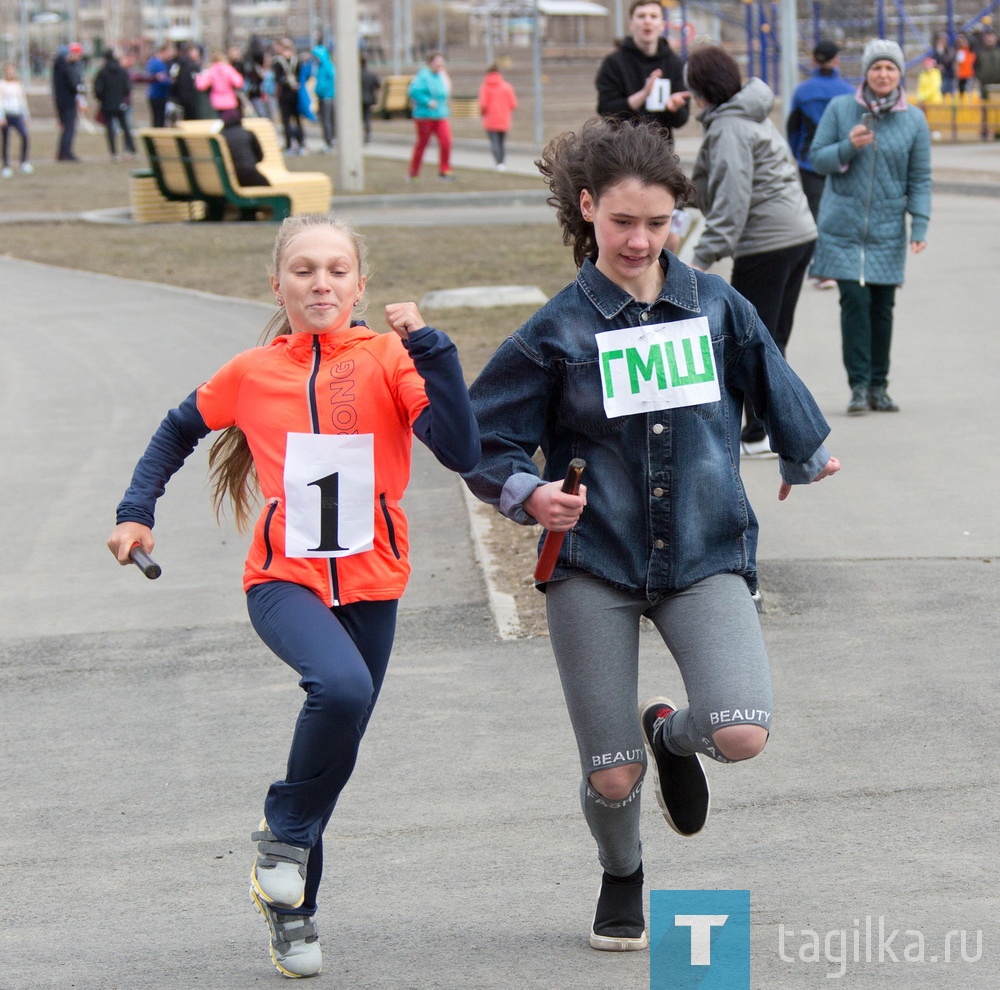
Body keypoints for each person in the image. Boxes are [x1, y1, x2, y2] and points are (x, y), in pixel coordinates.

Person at [461, 115, 839, 954]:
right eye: (623, 221)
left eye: (658, 222)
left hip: (703, 552)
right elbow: (481, 438)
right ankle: (623, 872)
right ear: (589, 208)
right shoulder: (556, 330)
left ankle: (670, 733)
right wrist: (528, 494)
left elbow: (769, 374)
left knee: (740, 729)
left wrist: (804, 449)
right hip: (595, 559)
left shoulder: (715, 305)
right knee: (610, 772)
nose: (640, 239)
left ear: (679, 218)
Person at [106, 214, 480, 980]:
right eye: (304, 270)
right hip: (283, 581)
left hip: (375, 583)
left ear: (360, 285)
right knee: (338, 688)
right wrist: (135, 511)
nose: (321, 283)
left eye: (337, 270)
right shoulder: (251, 371)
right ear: (277, 285)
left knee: (336, 745)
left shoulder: (388, 359)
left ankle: (291, 910)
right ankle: (281, 837)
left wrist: (433, 350)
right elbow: (176, 430)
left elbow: (461, 449)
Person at [685, 44, 817, 458]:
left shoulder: (729, 128)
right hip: (796, 234)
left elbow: (731, 204)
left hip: (767, 242)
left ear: (701, 89)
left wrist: (699, 259)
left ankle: (761, 434)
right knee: (772, 338)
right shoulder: (750, 115)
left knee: (747, 342)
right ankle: (774, 430)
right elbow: (722, 186)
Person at [809, 38, 931, 415]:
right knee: (854, 302)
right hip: (843, 227)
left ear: (899, 74)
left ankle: (880, 386)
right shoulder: (841, 108)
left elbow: (921, 177)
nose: (883, 74)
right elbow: (817, 159)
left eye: (890, 68)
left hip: (887, 228)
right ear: (865, 72)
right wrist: (847, 147)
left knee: (882, 306)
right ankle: (859, 386)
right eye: (876, 68)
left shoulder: (913, 119)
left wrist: (920, 225)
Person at [595, 0, 691, 140]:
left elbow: (681, 121)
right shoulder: (613, 63)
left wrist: (674, 109)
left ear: (662, 25)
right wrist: (643, 94)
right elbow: (606, 112)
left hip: (660, 152)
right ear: (631, 25)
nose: (647, 21)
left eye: (653, 16)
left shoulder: (675, 64)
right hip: (621, 150)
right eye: (641, 16)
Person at [786, 40, 854, 222]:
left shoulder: (802, 92)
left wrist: (796, 154)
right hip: (840, 161)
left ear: (813, 61)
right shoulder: (849, 92)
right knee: (840, 215)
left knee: (815, 213)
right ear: (836, 60)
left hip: (809, 162)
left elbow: (793, 128)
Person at [407, 53, 453, 181]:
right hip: (424, 116)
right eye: (437, 62)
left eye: (441, 63)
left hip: (440, 115)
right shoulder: (423, 76)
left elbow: (445, 92)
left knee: (446, 142)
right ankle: (414, 172)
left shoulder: (441, 75)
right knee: (422, 143)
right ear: (430, 63)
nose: (440, 65)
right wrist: (427, 101)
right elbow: (413, 91)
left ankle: (445, 170)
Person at [93, 49, 136, 160]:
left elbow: (97, 89)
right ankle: (129, 150)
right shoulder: (122, 71)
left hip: (107, 104)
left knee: (110, 128)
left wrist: (102, 99)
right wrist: (123, 98)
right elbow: (127, 87)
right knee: (125, 127)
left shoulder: (102, 72)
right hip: (120, 103)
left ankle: (113, 152)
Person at [478, 63, 518, 170]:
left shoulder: (485, 87)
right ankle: (502, 162)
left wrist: (482, 114)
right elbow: (513, 104)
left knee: (494, 143)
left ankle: (498, 162)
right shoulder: (507, 87)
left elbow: (483, 105)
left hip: (490, 120)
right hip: (504, 119)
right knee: (501, 143)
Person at [52, 42, 86, 162]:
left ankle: (62, 152)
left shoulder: (59, 65)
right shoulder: (67, 66)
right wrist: (80, 88)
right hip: (68, 101)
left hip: (61, 100)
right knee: (69, 128)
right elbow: (73, 84)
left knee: (66, 128)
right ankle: (66, 153)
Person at [273, 39, 306, 155]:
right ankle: (301, 144)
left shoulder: (278, 62)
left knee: (286, 121)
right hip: (296, 93)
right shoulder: (297, 60)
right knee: (297, 120)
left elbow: (277, 79)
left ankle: (289, 145)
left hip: (285, 94)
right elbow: (302, 76)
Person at [0, 62, 32, 177]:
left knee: (24, 136)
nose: (11, 73)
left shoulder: (18, 85)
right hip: (7, 116)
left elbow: (22, 101)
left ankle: (24, 162)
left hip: (17, 115)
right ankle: (6, 166)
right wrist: (1, 117)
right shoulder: (2, 84)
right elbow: (0, 102)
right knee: (6, 140)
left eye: (12, 71)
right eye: (8, 71)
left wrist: (26, 116)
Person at [196, 48, 244, 118]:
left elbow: (201, 85)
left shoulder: (211, 70)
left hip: (216, 101)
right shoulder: (228, 69)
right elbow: (239, 82)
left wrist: (199, 77)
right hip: (229, 101)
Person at [311, 42, 335, 151]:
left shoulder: (327, 67)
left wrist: (322, 90)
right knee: (325, 120)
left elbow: (329, 82)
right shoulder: (320, 67)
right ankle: (328, 141)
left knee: (327, 121)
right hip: (322, 97)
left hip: (327, 97)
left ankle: (330, 142)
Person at [146, 42, 175, 127]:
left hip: (153, 94)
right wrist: (171, 81)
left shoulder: (151, 62)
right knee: (159, 119)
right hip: (159, 95)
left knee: (156, 118)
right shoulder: (159, 64)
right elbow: (163, 80)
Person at [974, 26, 1000, 100]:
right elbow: (975, 67)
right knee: (985, 107)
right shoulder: (980, 52)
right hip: (985, 85)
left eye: (991, 36)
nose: (989, 38)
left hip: (998, 85)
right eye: (987, 36)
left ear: (995, 38)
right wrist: (980, 77)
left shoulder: (998, 52)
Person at [360, 56, 381, 143]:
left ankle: (362, 135)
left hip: (359, 99)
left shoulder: (357, 75)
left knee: (360, 118)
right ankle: (367, 136)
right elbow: (378, 85)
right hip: (369, 99)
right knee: (367, 118)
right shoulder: (371, 74)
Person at [931, 30, 955, 97]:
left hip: (947, 76)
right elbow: (932, 62)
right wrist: (936, 66)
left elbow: (946, 60)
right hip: (937, 76)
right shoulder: (935, 52)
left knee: (946, 93)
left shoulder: (950, 51)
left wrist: (940, 52)